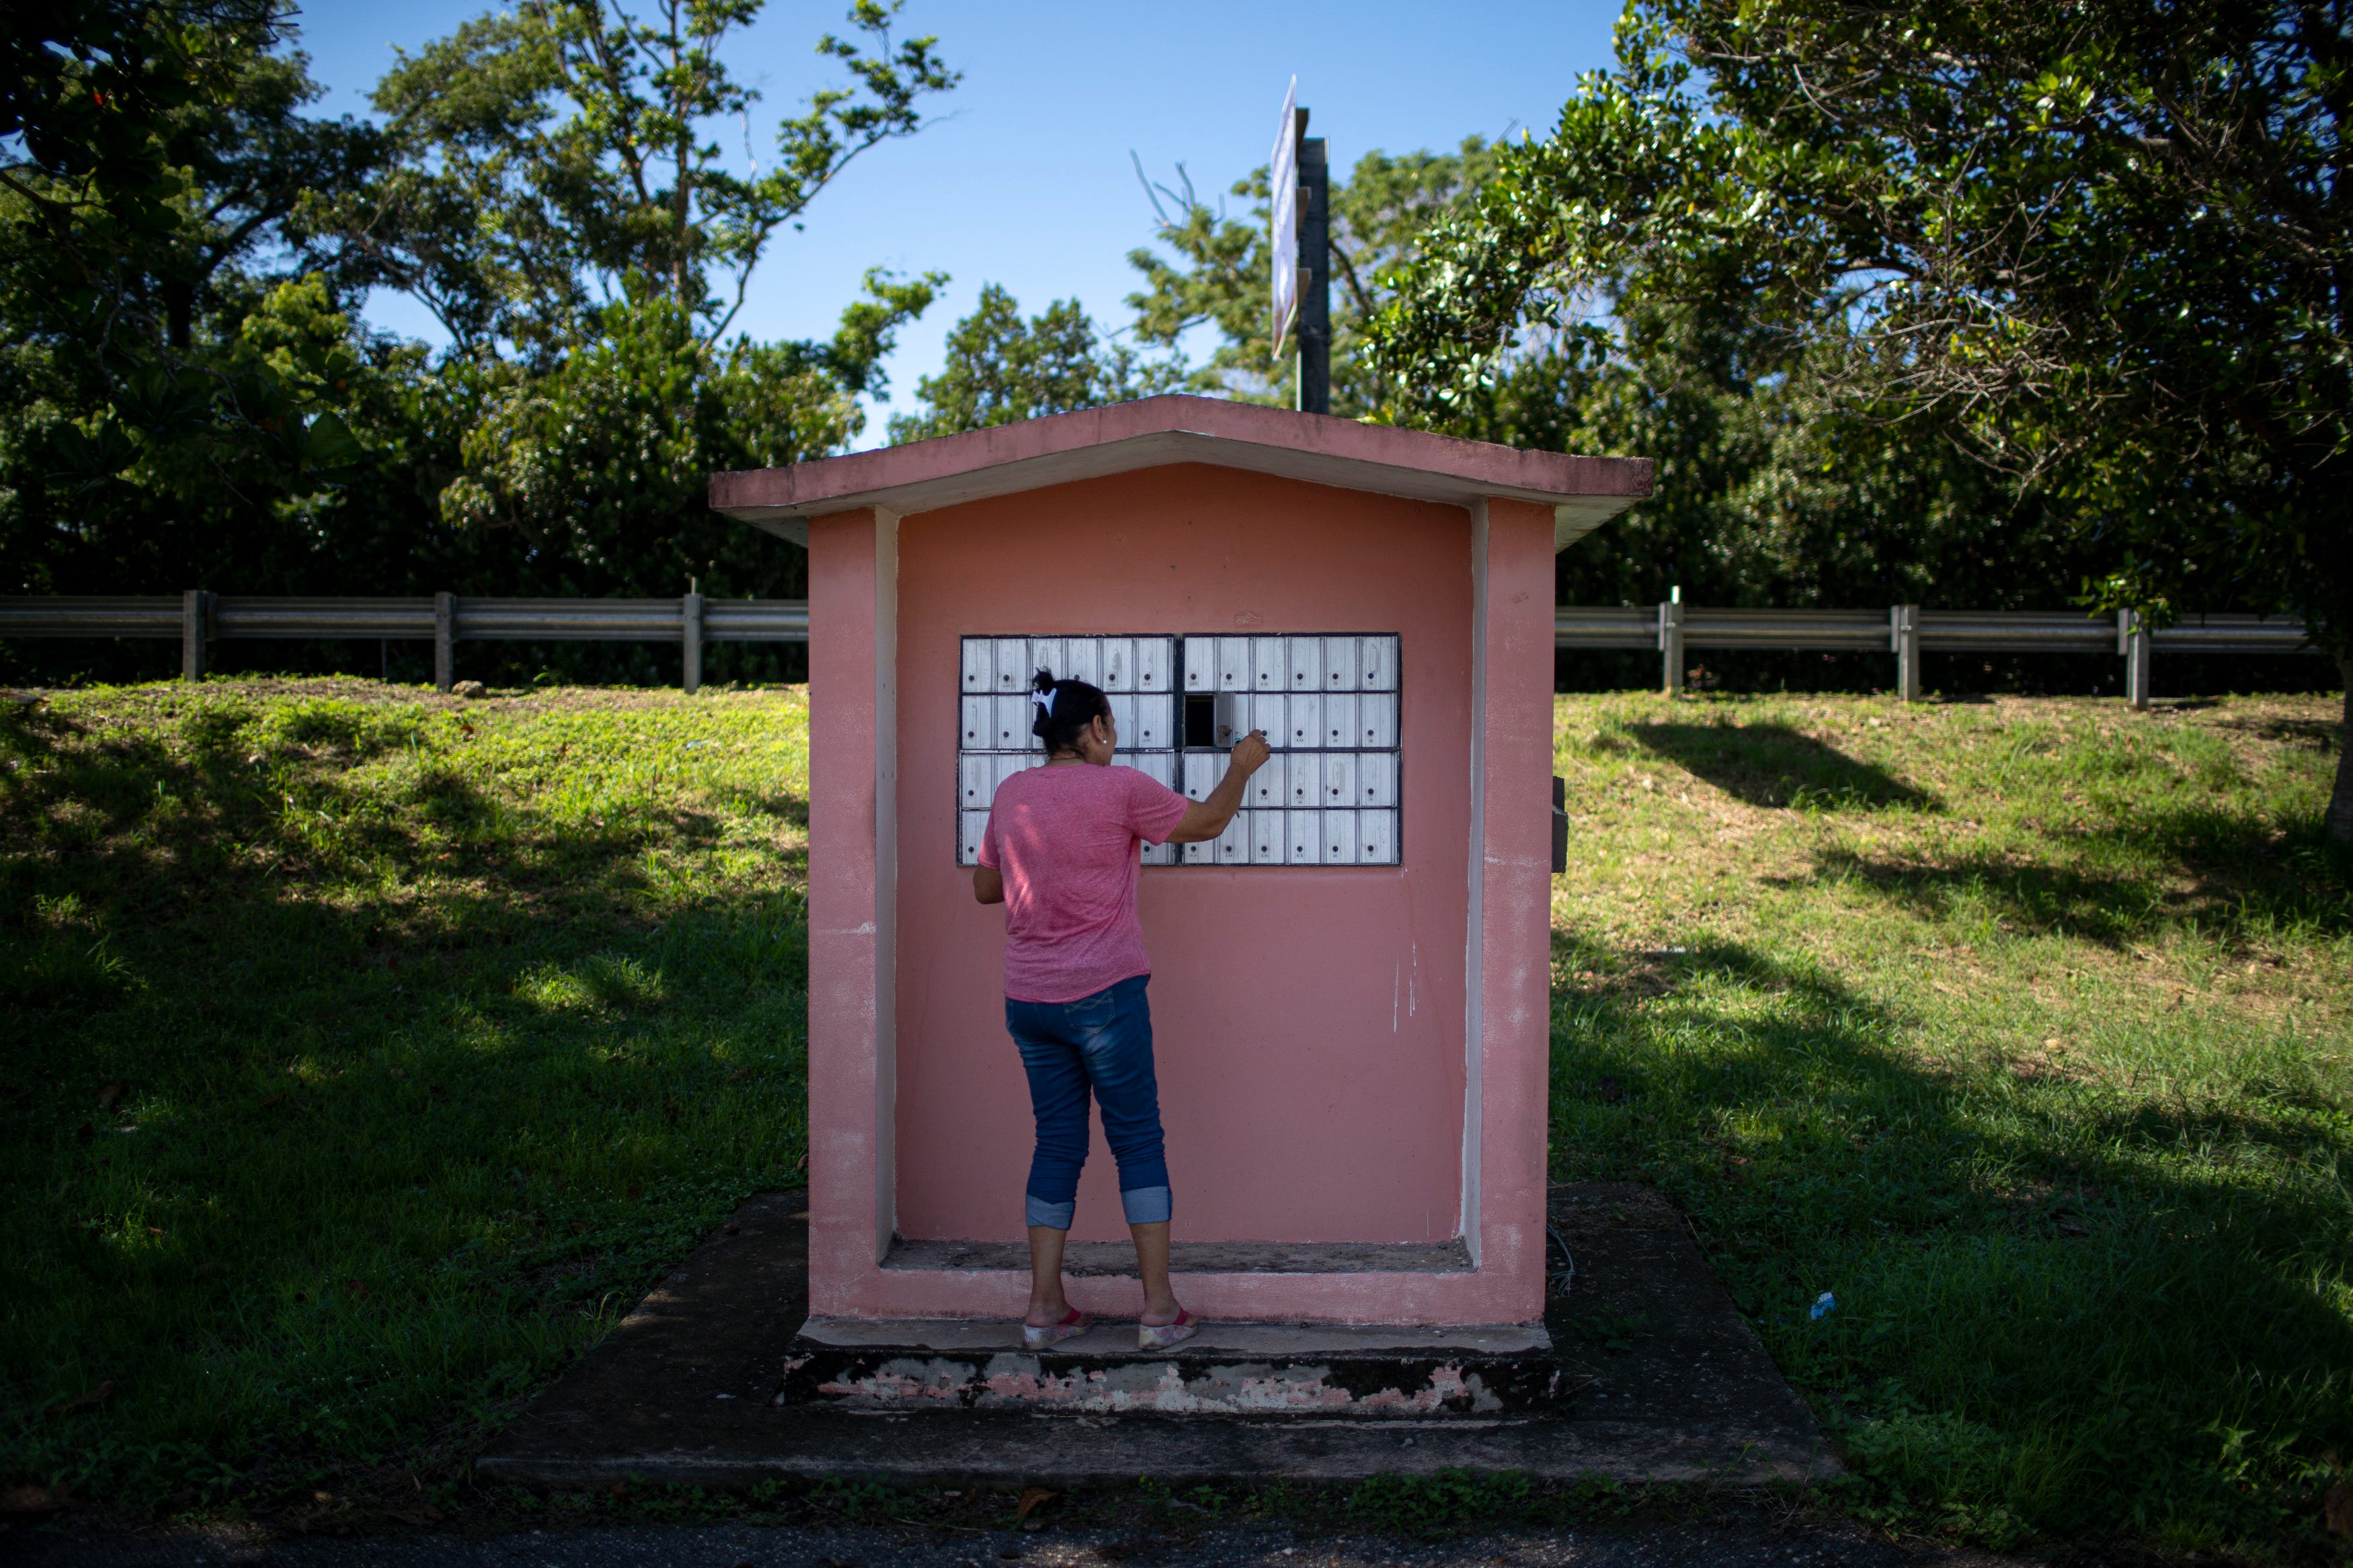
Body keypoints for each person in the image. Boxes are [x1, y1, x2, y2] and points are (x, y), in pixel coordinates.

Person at [973, 667, 1271, 1351]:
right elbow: (1206, 822)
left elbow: (985, 887)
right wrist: (1241, 766)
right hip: (1104, 997)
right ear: (1099, 728)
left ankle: (1044, 1308)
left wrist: (1037, 861)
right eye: (1112, 727)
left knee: (1056, 1142)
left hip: (1028, 999)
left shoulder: (1011, 792)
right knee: (1135, 1139)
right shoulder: (1120, 786)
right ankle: (1159, 1309)